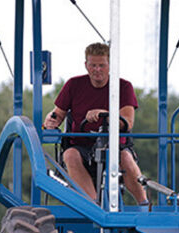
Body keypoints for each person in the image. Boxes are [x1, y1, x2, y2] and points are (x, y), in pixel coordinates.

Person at [43, 42, 148, 205]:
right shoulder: (73, 85)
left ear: (110, 65)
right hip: (81, 147)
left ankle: (144, 205)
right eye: (93, 65)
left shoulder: (124, 87)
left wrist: (104, 115)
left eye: (101, 65)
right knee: (69, 155)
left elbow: (127, 122)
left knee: (126, 157)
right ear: (86, 65)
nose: (97, 69)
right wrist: (50, 121)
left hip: (114, 146)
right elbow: (58, 114)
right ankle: (93, 206)